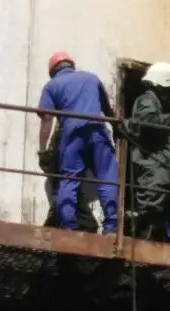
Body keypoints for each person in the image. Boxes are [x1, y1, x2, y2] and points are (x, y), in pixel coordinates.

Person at [37, 51, 118, 234]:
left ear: (52, 71)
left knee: (69, 180)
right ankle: (112, 227)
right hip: (98, 132)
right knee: (107, 179)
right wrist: (118, 129)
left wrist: (43, 151)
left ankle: (69, 226)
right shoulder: (91, 78)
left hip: (72, 135)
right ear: (71, 65)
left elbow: (47, 119)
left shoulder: (52, 86)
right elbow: (108, 110)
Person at [127, 61, 170, 242]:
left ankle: (147, 248)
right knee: (150, 211)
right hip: (152, 170)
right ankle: (142, 251)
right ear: (164, 84)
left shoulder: (154, 103)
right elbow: (148, 122)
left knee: (155, 212)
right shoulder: (148, 99)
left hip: (156, 170)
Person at [38, 120, 99, 232]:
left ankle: (85, 224)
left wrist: (42, 152)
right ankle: (86, 224)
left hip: (64, 138)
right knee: (72, 187)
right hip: (84, 138)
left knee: (63, 189)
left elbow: (47, 117)